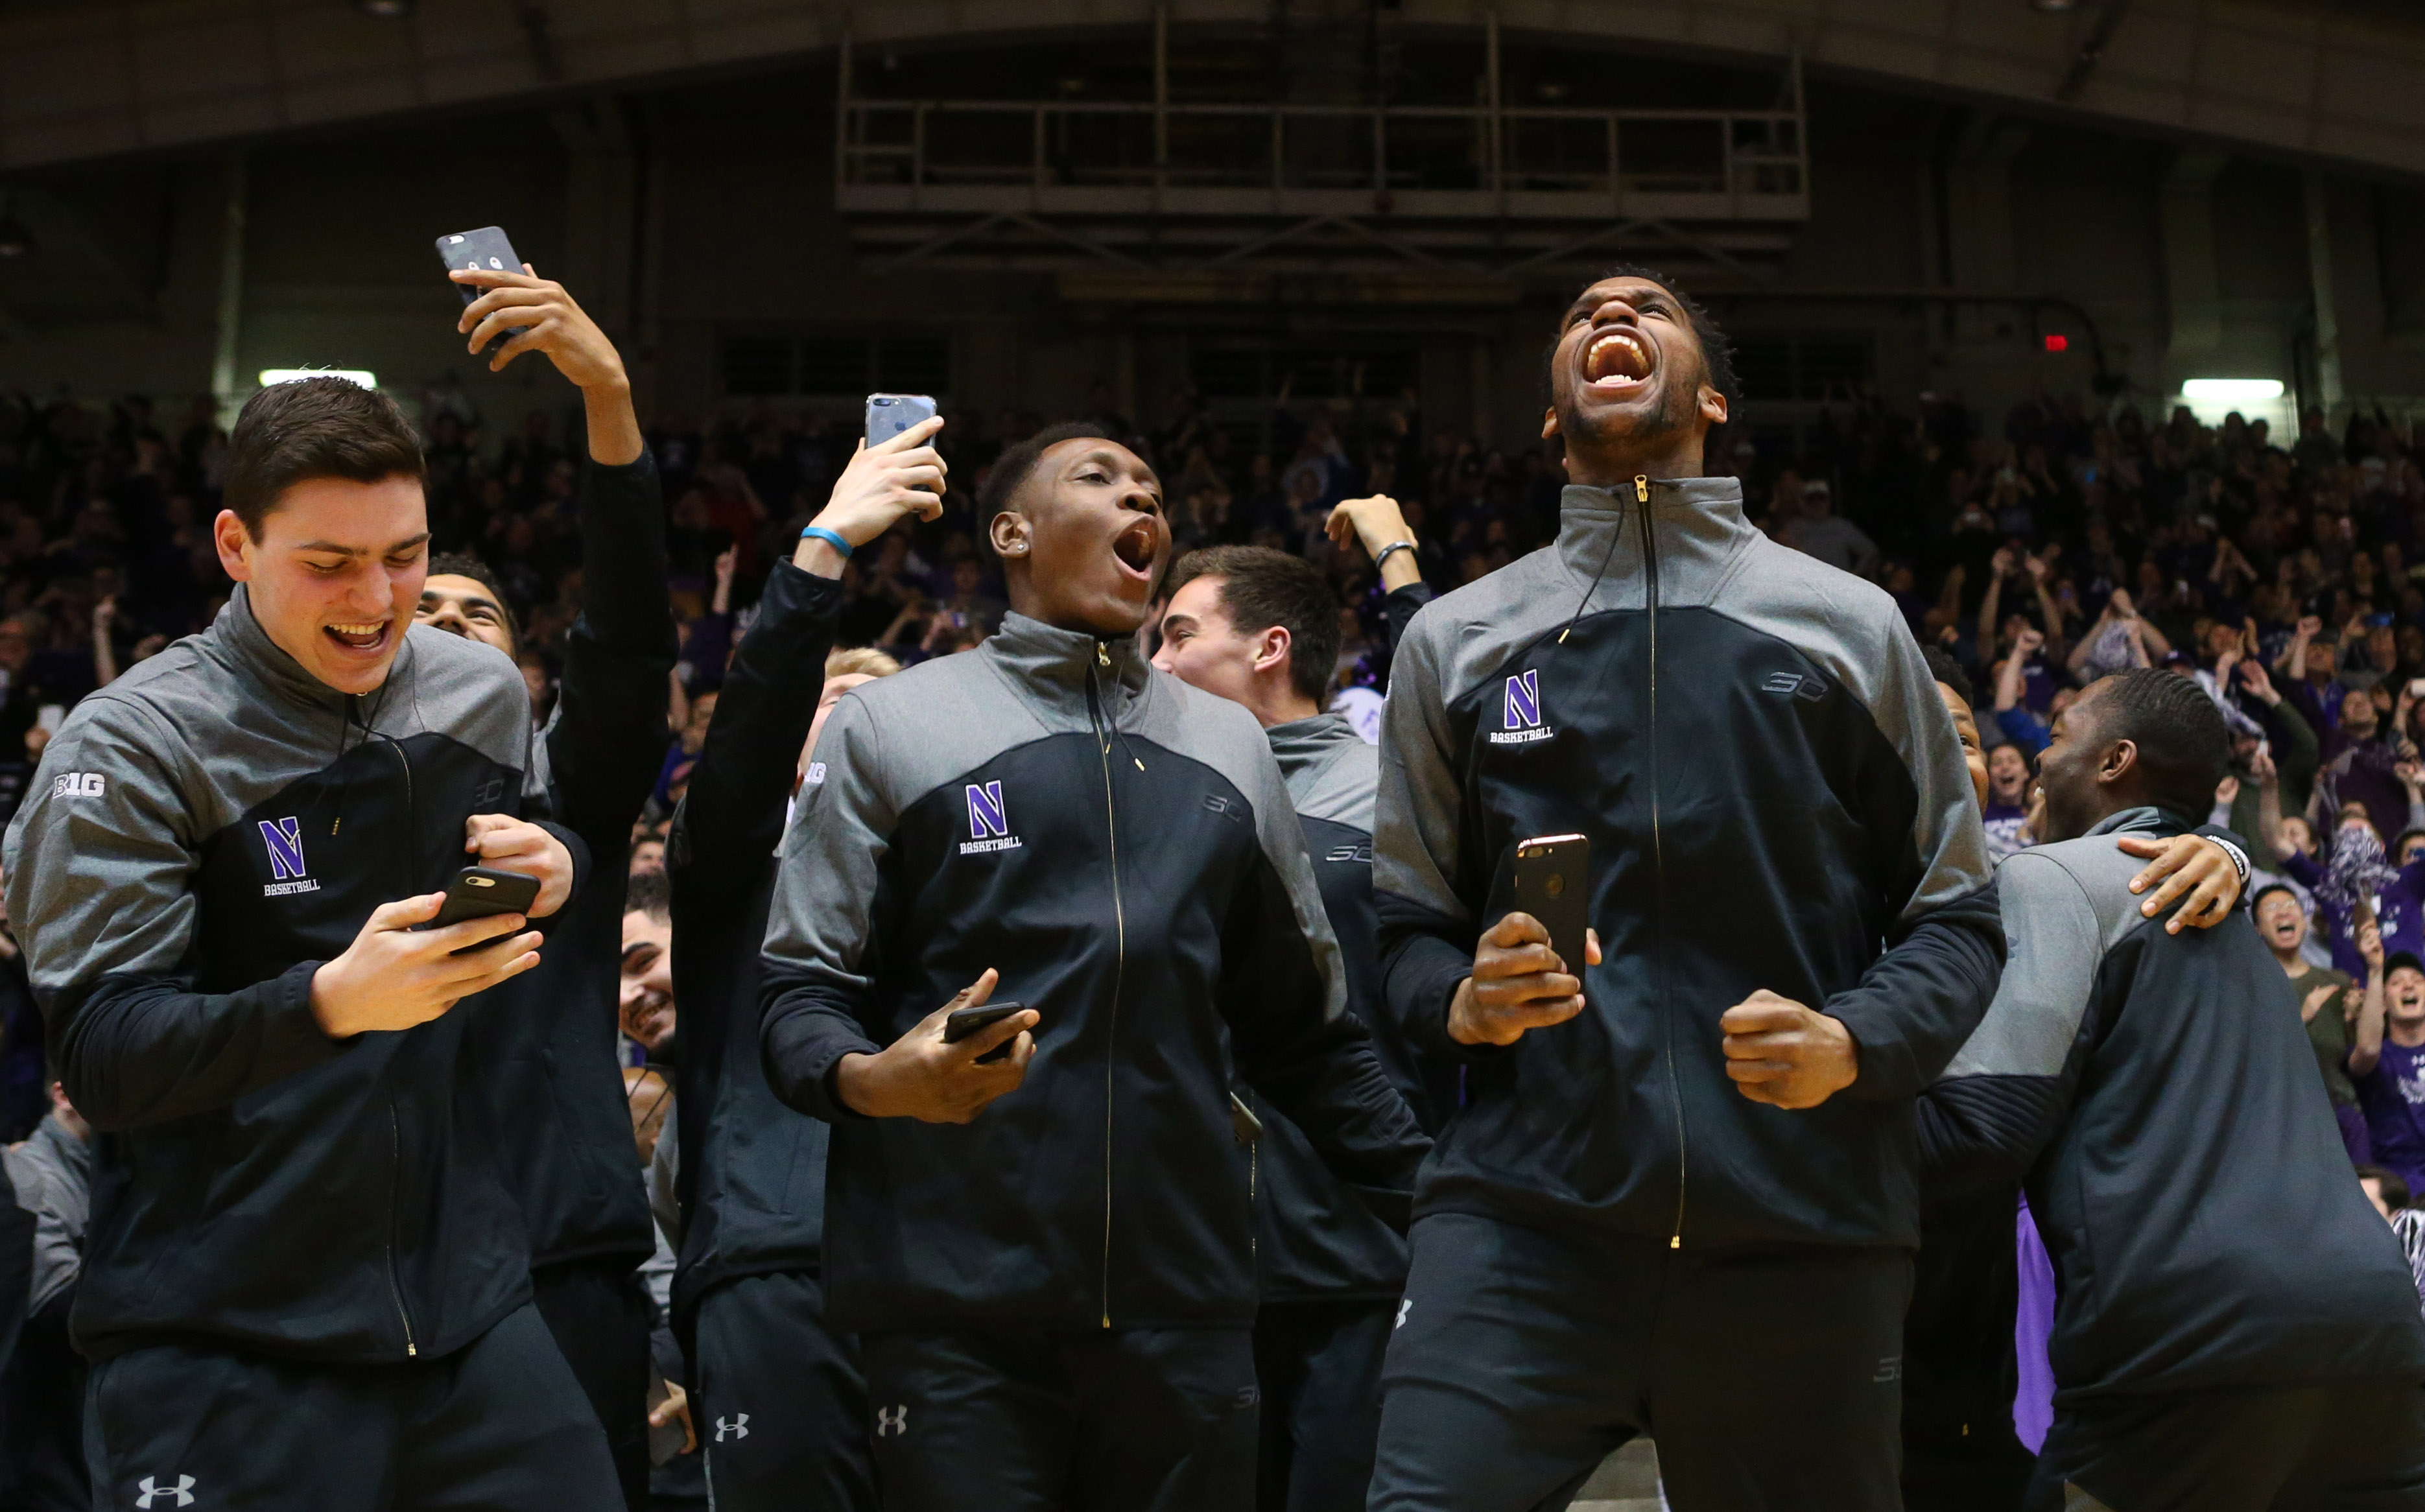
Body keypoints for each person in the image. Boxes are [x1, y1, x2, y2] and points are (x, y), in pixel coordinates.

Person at [1367, 266, 2005, 1512]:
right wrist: (1462, 1001)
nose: (1609, 317)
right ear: (1553, 417)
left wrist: (1852, 1039)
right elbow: (1402, 929)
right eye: (1580, 318)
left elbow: (1956, 918)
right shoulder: (1454, 640)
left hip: (1800, 1225)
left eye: (1646, 309)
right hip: (1520, 1221)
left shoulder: (1851, 626)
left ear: (1710, 398)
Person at [757, 421, 1428, 1512]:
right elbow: (799, 992)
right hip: (953, 1312)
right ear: (1011, 530)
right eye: (1100, 479)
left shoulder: (1227, 745)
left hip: (1189, 1311)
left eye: (1152, 489)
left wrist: (1441, 1201)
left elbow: (1305, 1037)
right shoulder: (892, 723)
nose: (1139, 502)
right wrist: (874, 1080)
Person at [0, 376, 621, 1509]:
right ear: (236, 543)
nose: (378, 599)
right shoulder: (135, 741)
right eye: (329, 563)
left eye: (404, 555)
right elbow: (102, 1052)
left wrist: (562, 861)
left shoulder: (480, 689)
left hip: (472, 1310)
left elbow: (536, 834)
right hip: (223, 1327)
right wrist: (328, 1001)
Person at [1921, 668, 2425, 1512]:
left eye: (2058, 737)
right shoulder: (2234, 916)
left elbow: (1988, 1124)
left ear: (2115, 759)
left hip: (2197, 1334)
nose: (2042, 762)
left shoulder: (2048, 879)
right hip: (2374, 1328)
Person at [414, 263, 678, 1509]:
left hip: (558, 1259)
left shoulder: (561, 807)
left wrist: (608, 398)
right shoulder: (282, 814)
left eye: (481, 615)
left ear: (523, 675)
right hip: (351, 1264)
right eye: (421, 607)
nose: (452, 620)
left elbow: (626, 641)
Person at [1150, 522, 1450, 1512]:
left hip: (1362, 1256)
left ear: (1269, 648)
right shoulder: (1141, 809)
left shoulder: (1393, 803)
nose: (1154, 662)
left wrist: (1398, 553)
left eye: (1178, 634)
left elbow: (1479, 712)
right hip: (1183, 1267)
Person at [671, 421, 941, 1512]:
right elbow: (747, 739)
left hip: (948, 1277)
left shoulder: (956, 883)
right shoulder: (731, 860)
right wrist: (822, 547)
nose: (852, 723)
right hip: (774, 1261)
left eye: (879, 711)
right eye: (831, 706)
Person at [1906, 652, 2246, 1512]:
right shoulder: (1807, 885)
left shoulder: (2024, 878)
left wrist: (2222, 852)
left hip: (1997, 1294)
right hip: (1855, 1277)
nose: (1956, 751)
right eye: (1927, 729)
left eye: (1970, 735)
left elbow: (2136, 854)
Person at [1, 1078, 89, 1511]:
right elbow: (55, 1308)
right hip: (44, 1450)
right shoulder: (33, 1178)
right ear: (64, 1095)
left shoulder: (110, 1170)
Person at [2256, 882, 2370, 1163]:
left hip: (2342, 1114)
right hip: (2282, 1119)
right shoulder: (2253, 986)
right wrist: (2303, 1017)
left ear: (2305, 920)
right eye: (2271, 908)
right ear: (2257, 929)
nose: (2283, 913)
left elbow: (2361, 1059)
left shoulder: (2337, 982)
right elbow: (2254, 1057)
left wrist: (2358, 1017)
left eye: (2290, 905)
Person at [2350, 945, 2425, 1199]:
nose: (2408, 987)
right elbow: (2368, 1049)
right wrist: (2375, 971)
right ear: (2382, 1001)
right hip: (2397, 1188)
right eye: (2396, 983)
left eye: (2417, 981)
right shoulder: (2379, 1058)